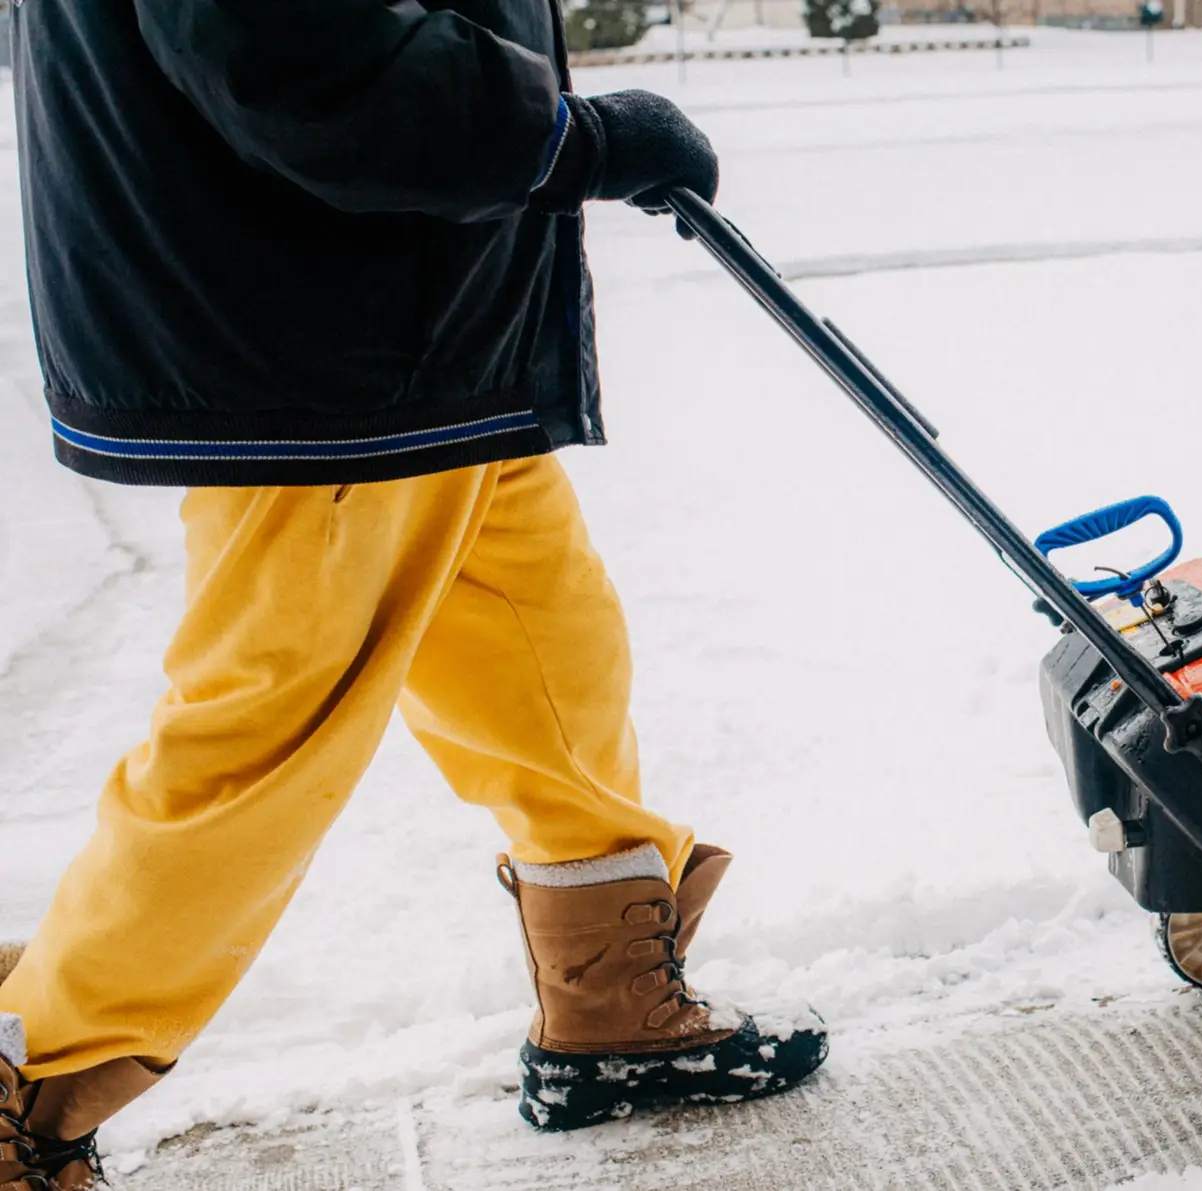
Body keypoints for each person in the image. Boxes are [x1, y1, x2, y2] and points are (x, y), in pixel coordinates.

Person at [0, 5, 827, 1186]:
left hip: (419, 323)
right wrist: (565, 142)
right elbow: (291, 47)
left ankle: (609, 1002)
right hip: (315, 351)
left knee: (547, 658)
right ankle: (38, 1070)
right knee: (267, 734)